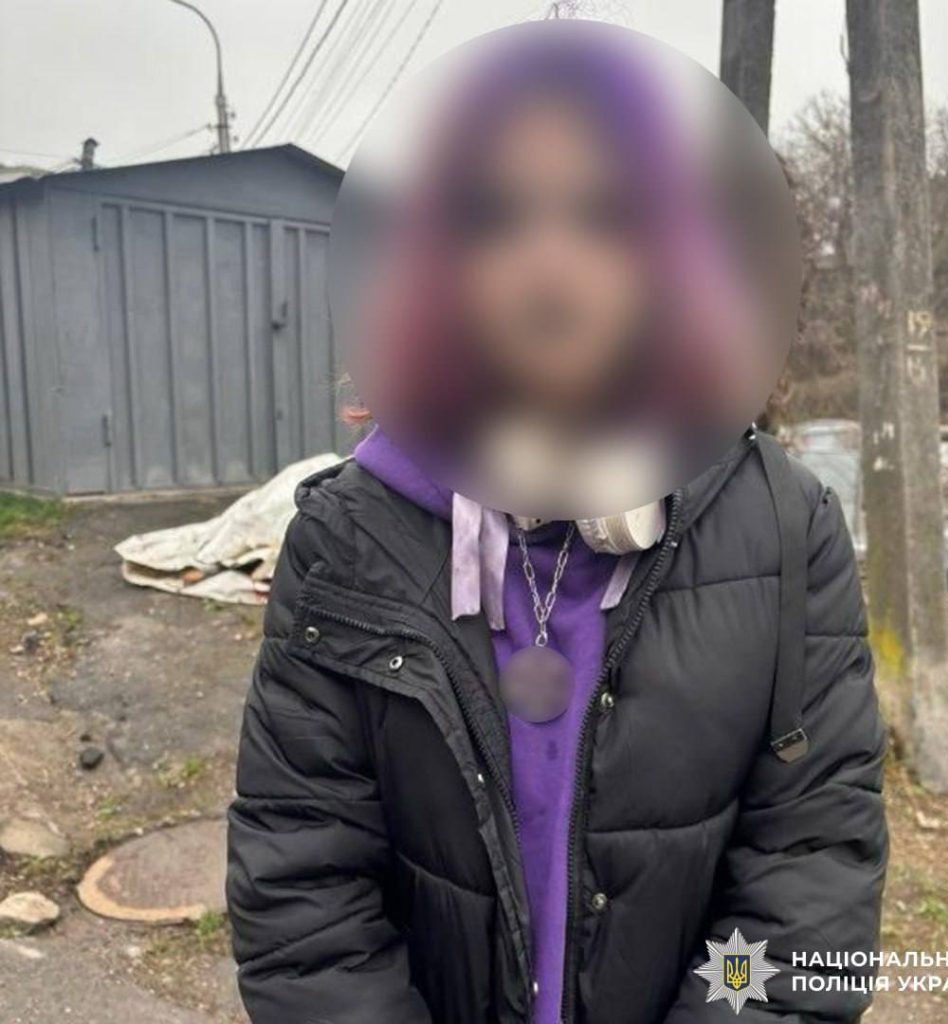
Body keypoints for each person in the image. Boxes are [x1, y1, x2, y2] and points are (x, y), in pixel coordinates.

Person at [226, 27, 887, 1024]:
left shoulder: (786, 531)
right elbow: (301, 884)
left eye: (607, 213)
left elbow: (808, 885)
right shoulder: (349, 536)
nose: (550, 264)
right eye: (496, 215)